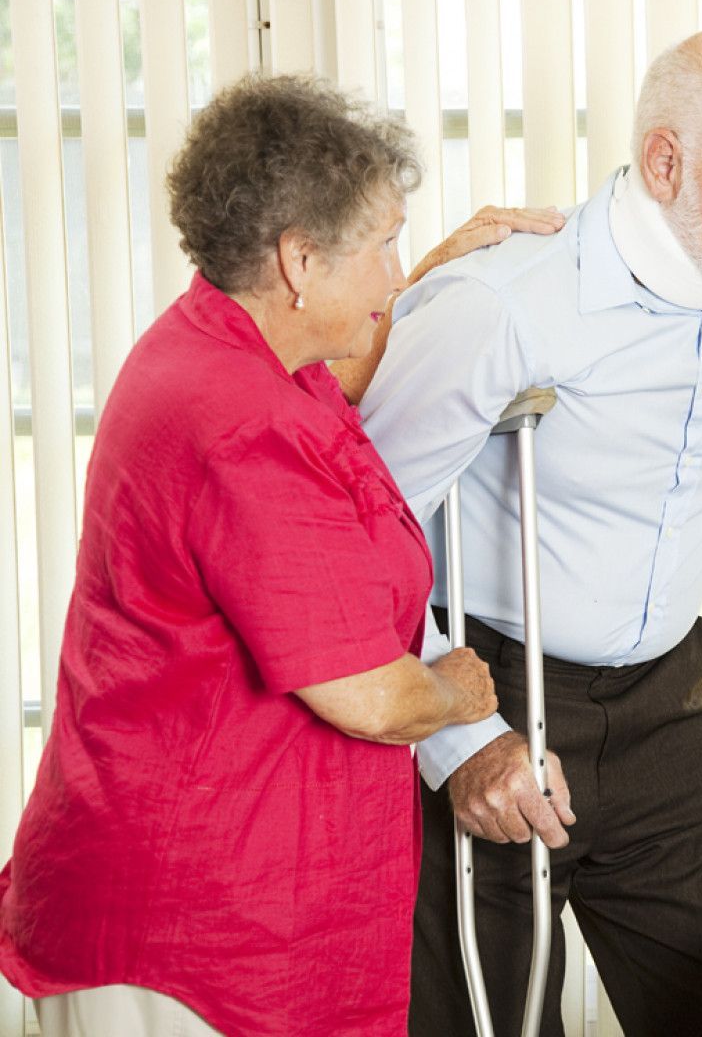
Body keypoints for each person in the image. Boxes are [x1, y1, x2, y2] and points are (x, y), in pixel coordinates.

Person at [0, 74, 561, 1036]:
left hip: (215, 887)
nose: (391, 275)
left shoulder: (234, 345)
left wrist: (418, 280)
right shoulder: (238, 422)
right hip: (202, 925)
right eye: (381, 245)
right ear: (299, 260)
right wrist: (465, 693)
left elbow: (337, 373)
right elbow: (372, 698)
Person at [353, 27, 702, 1036]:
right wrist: (460, 741)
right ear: (664, 161)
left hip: (667, 703)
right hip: (494, 686)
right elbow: (362, 531)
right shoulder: (500, 303)